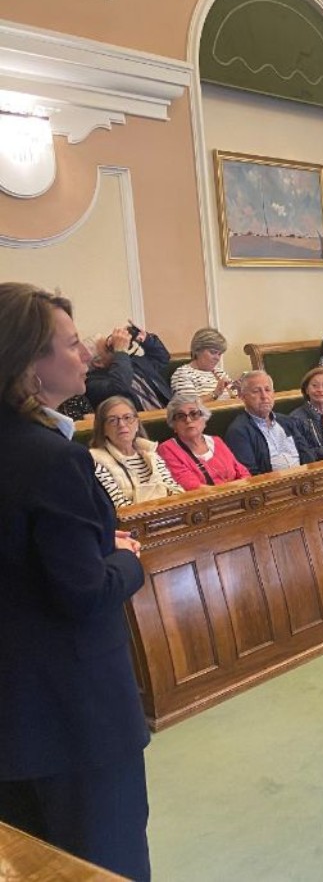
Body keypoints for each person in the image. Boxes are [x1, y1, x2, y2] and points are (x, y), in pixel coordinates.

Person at [0, 283, 150, 880]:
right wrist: (127, 559)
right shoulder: (52, 458)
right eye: (69, 344)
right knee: (102, 861)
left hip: (13, 711)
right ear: (28, 364)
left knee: (32, 863)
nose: (86, 353)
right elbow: (82, 592)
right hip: (74, 711)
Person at [89, 395, 184, 507]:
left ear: (137, 424)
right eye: (113, 420)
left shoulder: (151, 453)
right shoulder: (96, 461)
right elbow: (119, 506)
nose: (122, 425)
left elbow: (175, 491)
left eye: (127, 418)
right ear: (103, 429)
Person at [225, 370, 318, 474]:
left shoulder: (287, 421)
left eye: (267, 390)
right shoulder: (239, 431)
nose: (264, 396)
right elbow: (249, 473)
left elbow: (306, 454)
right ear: (242, 396)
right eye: (256, 391)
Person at [157, 394, 251, 490]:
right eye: (181, 416)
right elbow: (191, 487)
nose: (188, 420)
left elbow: (243, 472)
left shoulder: (216, 441)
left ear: (204, 419)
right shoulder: (167, 449)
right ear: (174, 426)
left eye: (194, 414)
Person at [84, 320, 172, 411]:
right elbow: (120, 388)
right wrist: (121, 351)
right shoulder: (92, 383)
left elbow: (162, 358)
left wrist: (146, 339)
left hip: (168, 412)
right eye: (108, 348)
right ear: (98, 363)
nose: (114, 347)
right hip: (142, 422)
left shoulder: (132, 363)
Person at [171, 327, 237, 402]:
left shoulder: (219, 373)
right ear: (197, 350)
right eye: (213, 352)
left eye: (219, 354)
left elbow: (235, 398)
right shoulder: (183, 374)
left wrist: (243, 390)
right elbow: (189, 407)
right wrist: (215, 394)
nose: (217, 358)